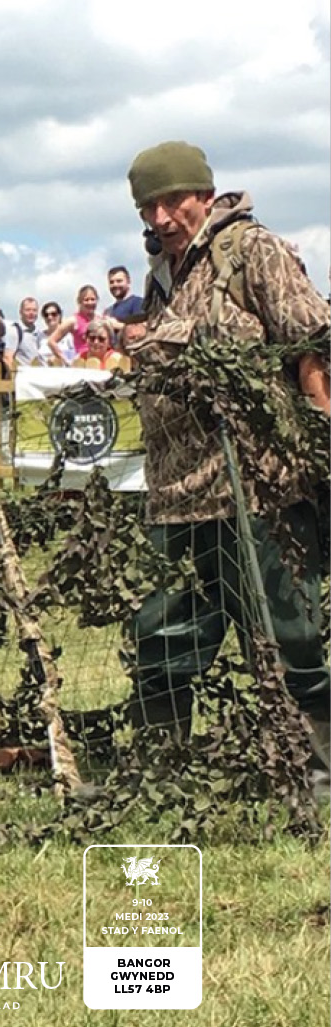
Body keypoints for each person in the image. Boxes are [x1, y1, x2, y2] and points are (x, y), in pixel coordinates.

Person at [123, 139, 330, 770]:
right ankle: (168, 767)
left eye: (171, 201)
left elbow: (312, 340)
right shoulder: (163, 276)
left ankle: (316, 768)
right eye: (146, 207)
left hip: (260, 490)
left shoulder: (252, 251)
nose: (160, 218)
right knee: (158, 633)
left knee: (289, 633)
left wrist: (321, 427)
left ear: (203, 196)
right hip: (177, 496)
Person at [46, 285, 99, 363]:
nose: (90, 302)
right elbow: (51, 341)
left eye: (92, 299)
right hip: (82, 362)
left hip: (100, 362)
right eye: (86, 300)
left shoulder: (101, 319)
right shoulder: (73, 320)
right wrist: (65, 359)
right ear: (79, 302)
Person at [103, 265, 143, 332]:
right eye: (111, 282)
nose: (115, 285)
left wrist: (116, 325)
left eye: (119, 281)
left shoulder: (137, 302)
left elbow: (140, 330)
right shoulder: (108, 311)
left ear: (128, 281)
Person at [8, 297, 45, 367]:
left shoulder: (39, 333)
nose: (31, 313)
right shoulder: (15, 331)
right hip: (23, 376)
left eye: (34, 310)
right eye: (27, 310)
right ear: (20, 312)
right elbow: (7, 357)